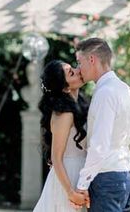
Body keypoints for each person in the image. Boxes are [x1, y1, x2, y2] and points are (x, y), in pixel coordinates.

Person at [73, 37, 130, 212]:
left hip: (106, 179)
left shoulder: (105, 93)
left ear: (91, 59)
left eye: (79, 62)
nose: (78, 69)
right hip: (125, 175)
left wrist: (82, 184)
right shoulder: (124, 89)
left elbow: (99, 144)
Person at [32, 59, 91, 211]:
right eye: (71, 73)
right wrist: (70, 193)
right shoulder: (63, 114)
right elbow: (56, 158)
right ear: (65, 88)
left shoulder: (82, 106)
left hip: (81, 173)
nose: (78, 71)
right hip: (67, 176)